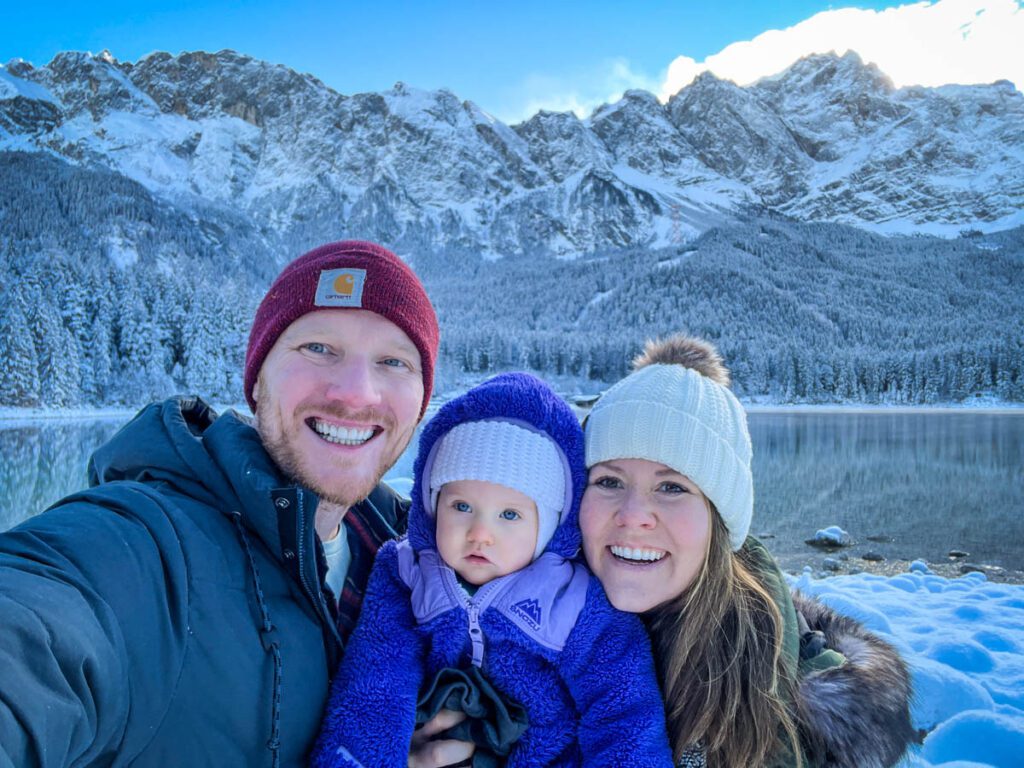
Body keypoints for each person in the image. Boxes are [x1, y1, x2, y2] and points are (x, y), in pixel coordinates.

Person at [0, 240, 461, 767]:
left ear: (421, 401)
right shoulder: (147, 547)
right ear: (258, 383)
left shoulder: (416, 562)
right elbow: (35, 629)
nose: (357, 393)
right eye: (318, 348)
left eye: (393, 361)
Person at [580, 335, 915, 768]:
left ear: (720, 520)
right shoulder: (507, 637)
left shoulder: (801, 710)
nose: (633, 515)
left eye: (672, 487)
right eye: (609, 481)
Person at [313, 372, 674, 767]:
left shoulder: (573, 602)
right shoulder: (407, 572)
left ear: (548, 527)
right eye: (462, 507)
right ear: (432, 506)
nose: (481, 533)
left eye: (509, 514)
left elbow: (623, 710)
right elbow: (376, 680)